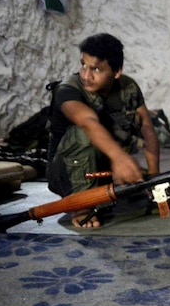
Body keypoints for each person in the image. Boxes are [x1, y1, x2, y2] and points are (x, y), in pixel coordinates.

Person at [46, 33, 160, 228]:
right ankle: (82, 203)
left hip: (104, 168)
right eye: (83, 65)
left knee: (142, 190)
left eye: (96, 69)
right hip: (65, 173)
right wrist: (119, 157)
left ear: (116, 72)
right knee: (84, 133)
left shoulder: (127, 87)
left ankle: (106, 192)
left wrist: (154, 178)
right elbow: (87, 122)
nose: (86, 75)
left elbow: (146, 127)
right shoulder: (68, 89)